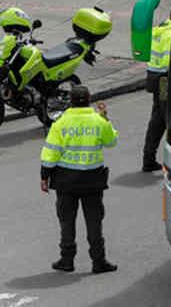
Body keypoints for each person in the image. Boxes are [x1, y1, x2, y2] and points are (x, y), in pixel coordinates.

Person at [41, 85, 119, 275]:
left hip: (65, 181)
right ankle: (99, 261)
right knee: (94, 221)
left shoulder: (60, 123)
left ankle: (67, 260)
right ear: (89, 99)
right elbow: (111, 142)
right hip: (93, 180)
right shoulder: (98, 121)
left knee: (67, 221)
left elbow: (50, 154)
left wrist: (44, 177)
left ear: (71, 102)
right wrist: (105, 118)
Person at [141, 8, 171, 172]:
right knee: (169, 119)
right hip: (165, 80)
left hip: (154, 78)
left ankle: (148, 159)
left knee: (158, 119)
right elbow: (169, 62)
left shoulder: (157, 30)